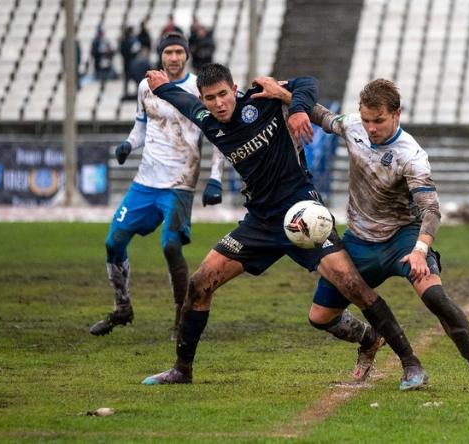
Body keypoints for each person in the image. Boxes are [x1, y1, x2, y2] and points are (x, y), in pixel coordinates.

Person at [140, 63, 428, 391]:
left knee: (353, 285)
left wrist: (296, 110)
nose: (219, 103)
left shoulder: (262, 101)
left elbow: (308, 81)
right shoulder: (208, 121)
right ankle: (182, 369)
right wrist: (162, 87)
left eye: (223, 94)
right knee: (200, 284)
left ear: (234, 89)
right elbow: (184, 102)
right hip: (259, 224)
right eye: (210, 98)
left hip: (302, 215)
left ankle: (411, 363)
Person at [286, 78, 469, 393]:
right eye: (367, 120)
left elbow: (431, 210)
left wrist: (419, 250)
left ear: (397, 114)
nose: (371, 128)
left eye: (379, 120)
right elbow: (320, 114)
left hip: (402, 238)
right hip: (358, 240)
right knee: (320, 316)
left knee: (436, 297)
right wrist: (287, 98)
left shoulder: (411, 155)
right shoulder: (353, 126)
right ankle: (372, 339)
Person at [90, 32, 225, 339]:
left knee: (171, 247)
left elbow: (216, 135)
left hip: (180, 183)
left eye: (179, 52)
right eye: (169, 52)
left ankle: (182, 315)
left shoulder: (198, 89)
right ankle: (122, 307)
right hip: (145, 182)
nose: (174, 57)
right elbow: (142, 123)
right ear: (161, 55)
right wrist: (128, 143)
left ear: (187, 55)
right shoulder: (145, 85)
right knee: (113, 243)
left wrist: (215, 178)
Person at [120, 26, 142, 99]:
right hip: (131, 63)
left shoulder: (124, 41)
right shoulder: (131, 40)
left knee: (130, 79)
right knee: (133, 79)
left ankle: (129, 92)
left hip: (128, 63)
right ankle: (130, 92)